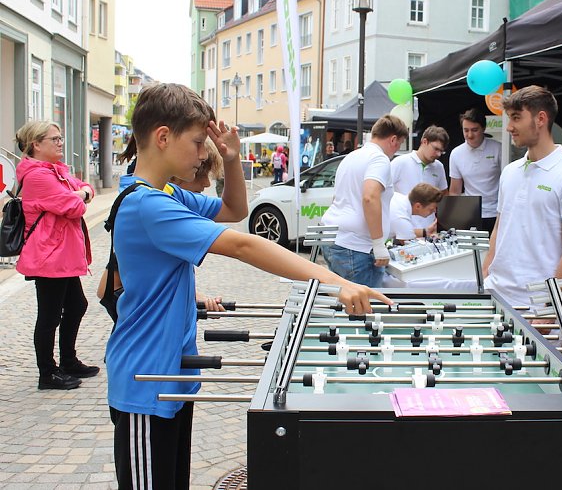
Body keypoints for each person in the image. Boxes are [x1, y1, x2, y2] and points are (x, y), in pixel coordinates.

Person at [105, 84, 390, 489]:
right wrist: (333, 281)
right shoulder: (146, 204)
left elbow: (234, 210)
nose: (205, 154)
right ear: (163, 137)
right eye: (199, 142)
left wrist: (232, 159)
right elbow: (242, 243)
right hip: (144, 380)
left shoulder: (165, 193)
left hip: (169, 375)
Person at [482, 85, 562, 307]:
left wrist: (551, 307)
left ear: (540, 118)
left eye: (516, 118)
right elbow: (499, 227)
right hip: (495, 293)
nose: (509, 127)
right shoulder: (510, 171)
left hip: (537, 305)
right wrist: (486, 273)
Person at [96, 138, 228, 315]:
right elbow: (106, 287)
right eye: (200, 172)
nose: (206, 183)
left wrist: (193, 296)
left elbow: (235, 210)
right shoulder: (152, 213)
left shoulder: (170, 205)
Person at [14, 121, 98, 390]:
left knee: (76, 305)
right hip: (48, 256)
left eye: (60, 138)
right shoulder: (38, 177)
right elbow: (74, 206)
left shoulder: (56, 171)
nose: (60, 143)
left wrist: (81, 192)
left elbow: (85, 188)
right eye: (54, 139)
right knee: (50, 315)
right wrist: (79, 194)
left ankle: (69, 361)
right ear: (36, 145)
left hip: (62, 255)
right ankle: (47, 373)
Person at [320, 115, 410, 287]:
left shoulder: (352, 157)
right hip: (357, 246)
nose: (396, 150)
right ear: (393, 139)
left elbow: (337, 197)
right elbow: (370, 197)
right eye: (399, 144)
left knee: (347, 304)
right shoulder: (379, 159)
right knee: (363, 309)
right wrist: (378, 244)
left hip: (337, 239)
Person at [448, 108, 502, 233]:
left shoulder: (498, 148)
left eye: (474, 130)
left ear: (483, 128)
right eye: (465, 130)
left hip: (496, 212)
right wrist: (454, 219)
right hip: (470, 214)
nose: (470, 135)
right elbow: (455, 191)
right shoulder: (456, 154)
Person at [390, 125, 449, 230]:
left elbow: (444, 197)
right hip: (403, 228)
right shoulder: (400, 162)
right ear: (424, 141)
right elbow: (384, 192)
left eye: (441, 151)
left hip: (429, 230)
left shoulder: (439, 166)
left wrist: (439, 222)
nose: (438, 154)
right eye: (435, 149)